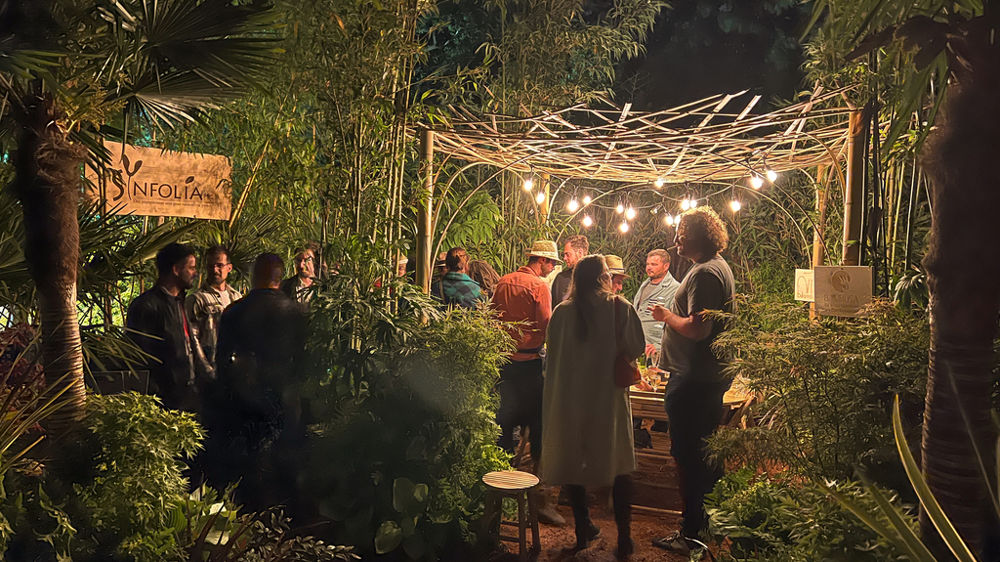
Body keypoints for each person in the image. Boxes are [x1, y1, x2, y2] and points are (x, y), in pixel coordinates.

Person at [542, 255, 644, 556]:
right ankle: (624, 537)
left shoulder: (562, 312)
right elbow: (636, 347)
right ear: (604, 277)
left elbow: (552, 350)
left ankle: (583, 528)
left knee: (574, 460)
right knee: (619, 463)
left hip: (570, 399)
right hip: (607, 400)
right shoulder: (620, 308)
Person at [650, 207, 736, 554]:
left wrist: (666, 316)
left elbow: (700, 328)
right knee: (702, 454)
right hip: (702, 377)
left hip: (694, 380)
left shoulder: (704, 274)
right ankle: (706, 527)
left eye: (681, 236)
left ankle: (690, 534)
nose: (675, 243)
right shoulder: (716, 267)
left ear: (699, 236)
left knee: (687, 455)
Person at [207, 253, 307, 512]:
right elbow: (306, 358)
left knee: (247, 460)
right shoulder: (297, 312)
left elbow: (222, 361)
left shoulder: (234, 312)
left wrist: (227, 391)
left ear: (254, 276)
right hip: (285, 393)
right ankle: (286, 515)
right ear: (280, 276)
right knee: (284, 455)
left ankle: (246, 513)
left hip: (245, 394)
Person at [491, 240, 563, 524]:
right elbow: (546, 324)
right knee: (539, 429)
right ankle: (538, 498)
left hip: (504, 364)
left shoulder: (503, 281)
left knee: (504, 426)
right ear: (542, 261)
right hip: (530, 364)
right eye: (552, 264)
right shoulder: (539, 286)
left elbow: (492, 317)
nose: (552, 269)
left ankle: (501, 489)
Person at [126, 243, 198, 411]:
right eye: (191, 268)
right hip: (164, 401)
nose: (195, 273)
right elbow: (140, 357)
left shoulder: (179, 302)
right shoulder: (146, 306)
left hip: (187, 396)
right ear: (176, 270)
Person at [185, 245, 242, 380]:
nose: (215, 270)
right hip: (210, 370)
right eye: (211, 266)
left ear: (229, 267)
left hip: (234, 370)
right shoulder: (197, 299)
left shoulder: (237, 297)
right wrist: (206, 369)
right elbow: (192, 340)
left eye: (219, 265)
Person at [633, 248, 680, 360]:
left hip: (655, 350)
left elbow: (674, 322)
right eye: (648, 264)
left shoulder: (674, 289)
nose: (649, 267)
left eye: (654, 264)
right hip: (638, 346)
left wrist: (660, 347)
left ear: (666, 266)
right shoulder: (645, 284)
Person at [550, 235, 589, 308]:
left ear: (580, 253)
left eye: (567, 254)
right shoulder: (560, 279)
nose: (564, 258)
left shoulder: (595, 278)